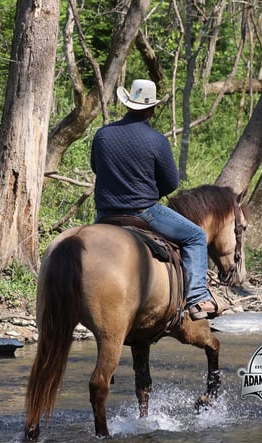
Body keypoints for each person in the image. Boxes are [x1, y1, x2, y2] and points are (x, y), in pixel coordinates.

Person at [90, 79, 219, 320]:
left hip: (105, 215)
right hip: (142, 212)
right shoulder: (157, 140)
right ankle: (198, 298)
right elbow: (171, 183)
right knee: (196, 236)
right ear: (152, 108)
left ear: (127, 104)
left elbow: (96, 167)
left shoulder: (102, 134)